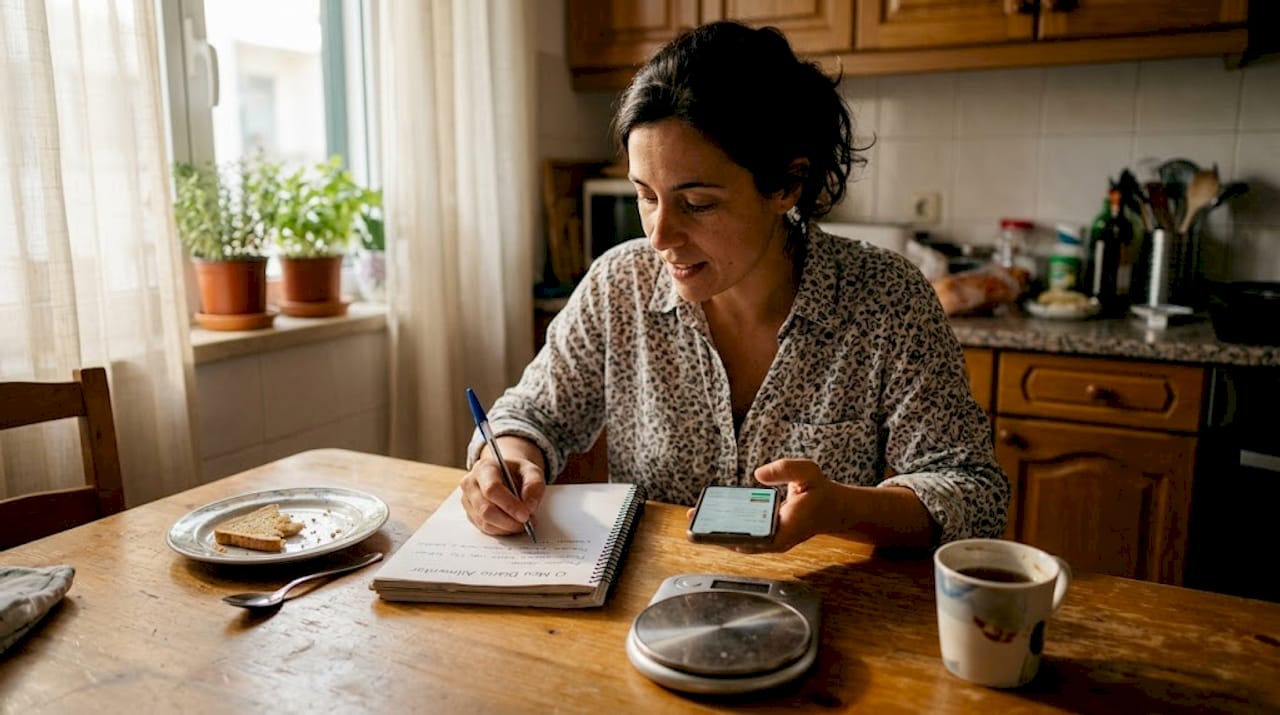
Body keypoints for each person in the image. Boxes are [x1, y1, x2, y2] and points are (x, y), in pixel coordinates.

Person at [460, 21, 1008, 551]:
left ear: (787, 184)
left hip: (825, 610)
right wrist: (506, 459)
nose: (659, 236)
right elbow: (531, 416)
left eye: (697, 204)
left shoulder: (884, 299)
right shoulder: (618, 285)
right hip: (645, 612)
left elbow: (971, 490)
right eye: (645, 196)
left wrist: (840, 509)